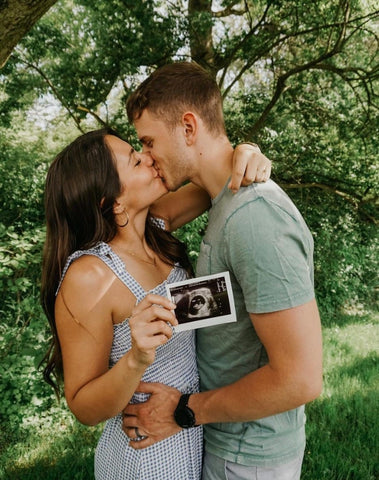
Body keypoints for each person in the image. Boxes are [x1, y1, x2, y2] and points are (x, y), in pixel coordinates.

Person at [122, 61, 323, 480]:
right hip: (229, 442)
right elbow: (150, 216)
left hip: (250, 458)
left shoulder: (254, 218)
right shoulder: (224, 199)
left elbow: (301, 379)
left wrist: (184, 411)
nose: (146, 156)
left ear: (189, 127)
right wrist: (241, 152)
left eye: (149, 141)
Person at [40, 127, 272, 480]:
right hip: (144, 458)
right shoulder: (90, 277)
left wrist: (247, 151)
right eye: (135, 160)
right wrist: (136, 358)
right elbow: (83, 406)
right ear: (111, 202)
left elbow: (221, 181)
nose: (148, 157)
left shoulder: (155, 226)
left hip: (189, 434)